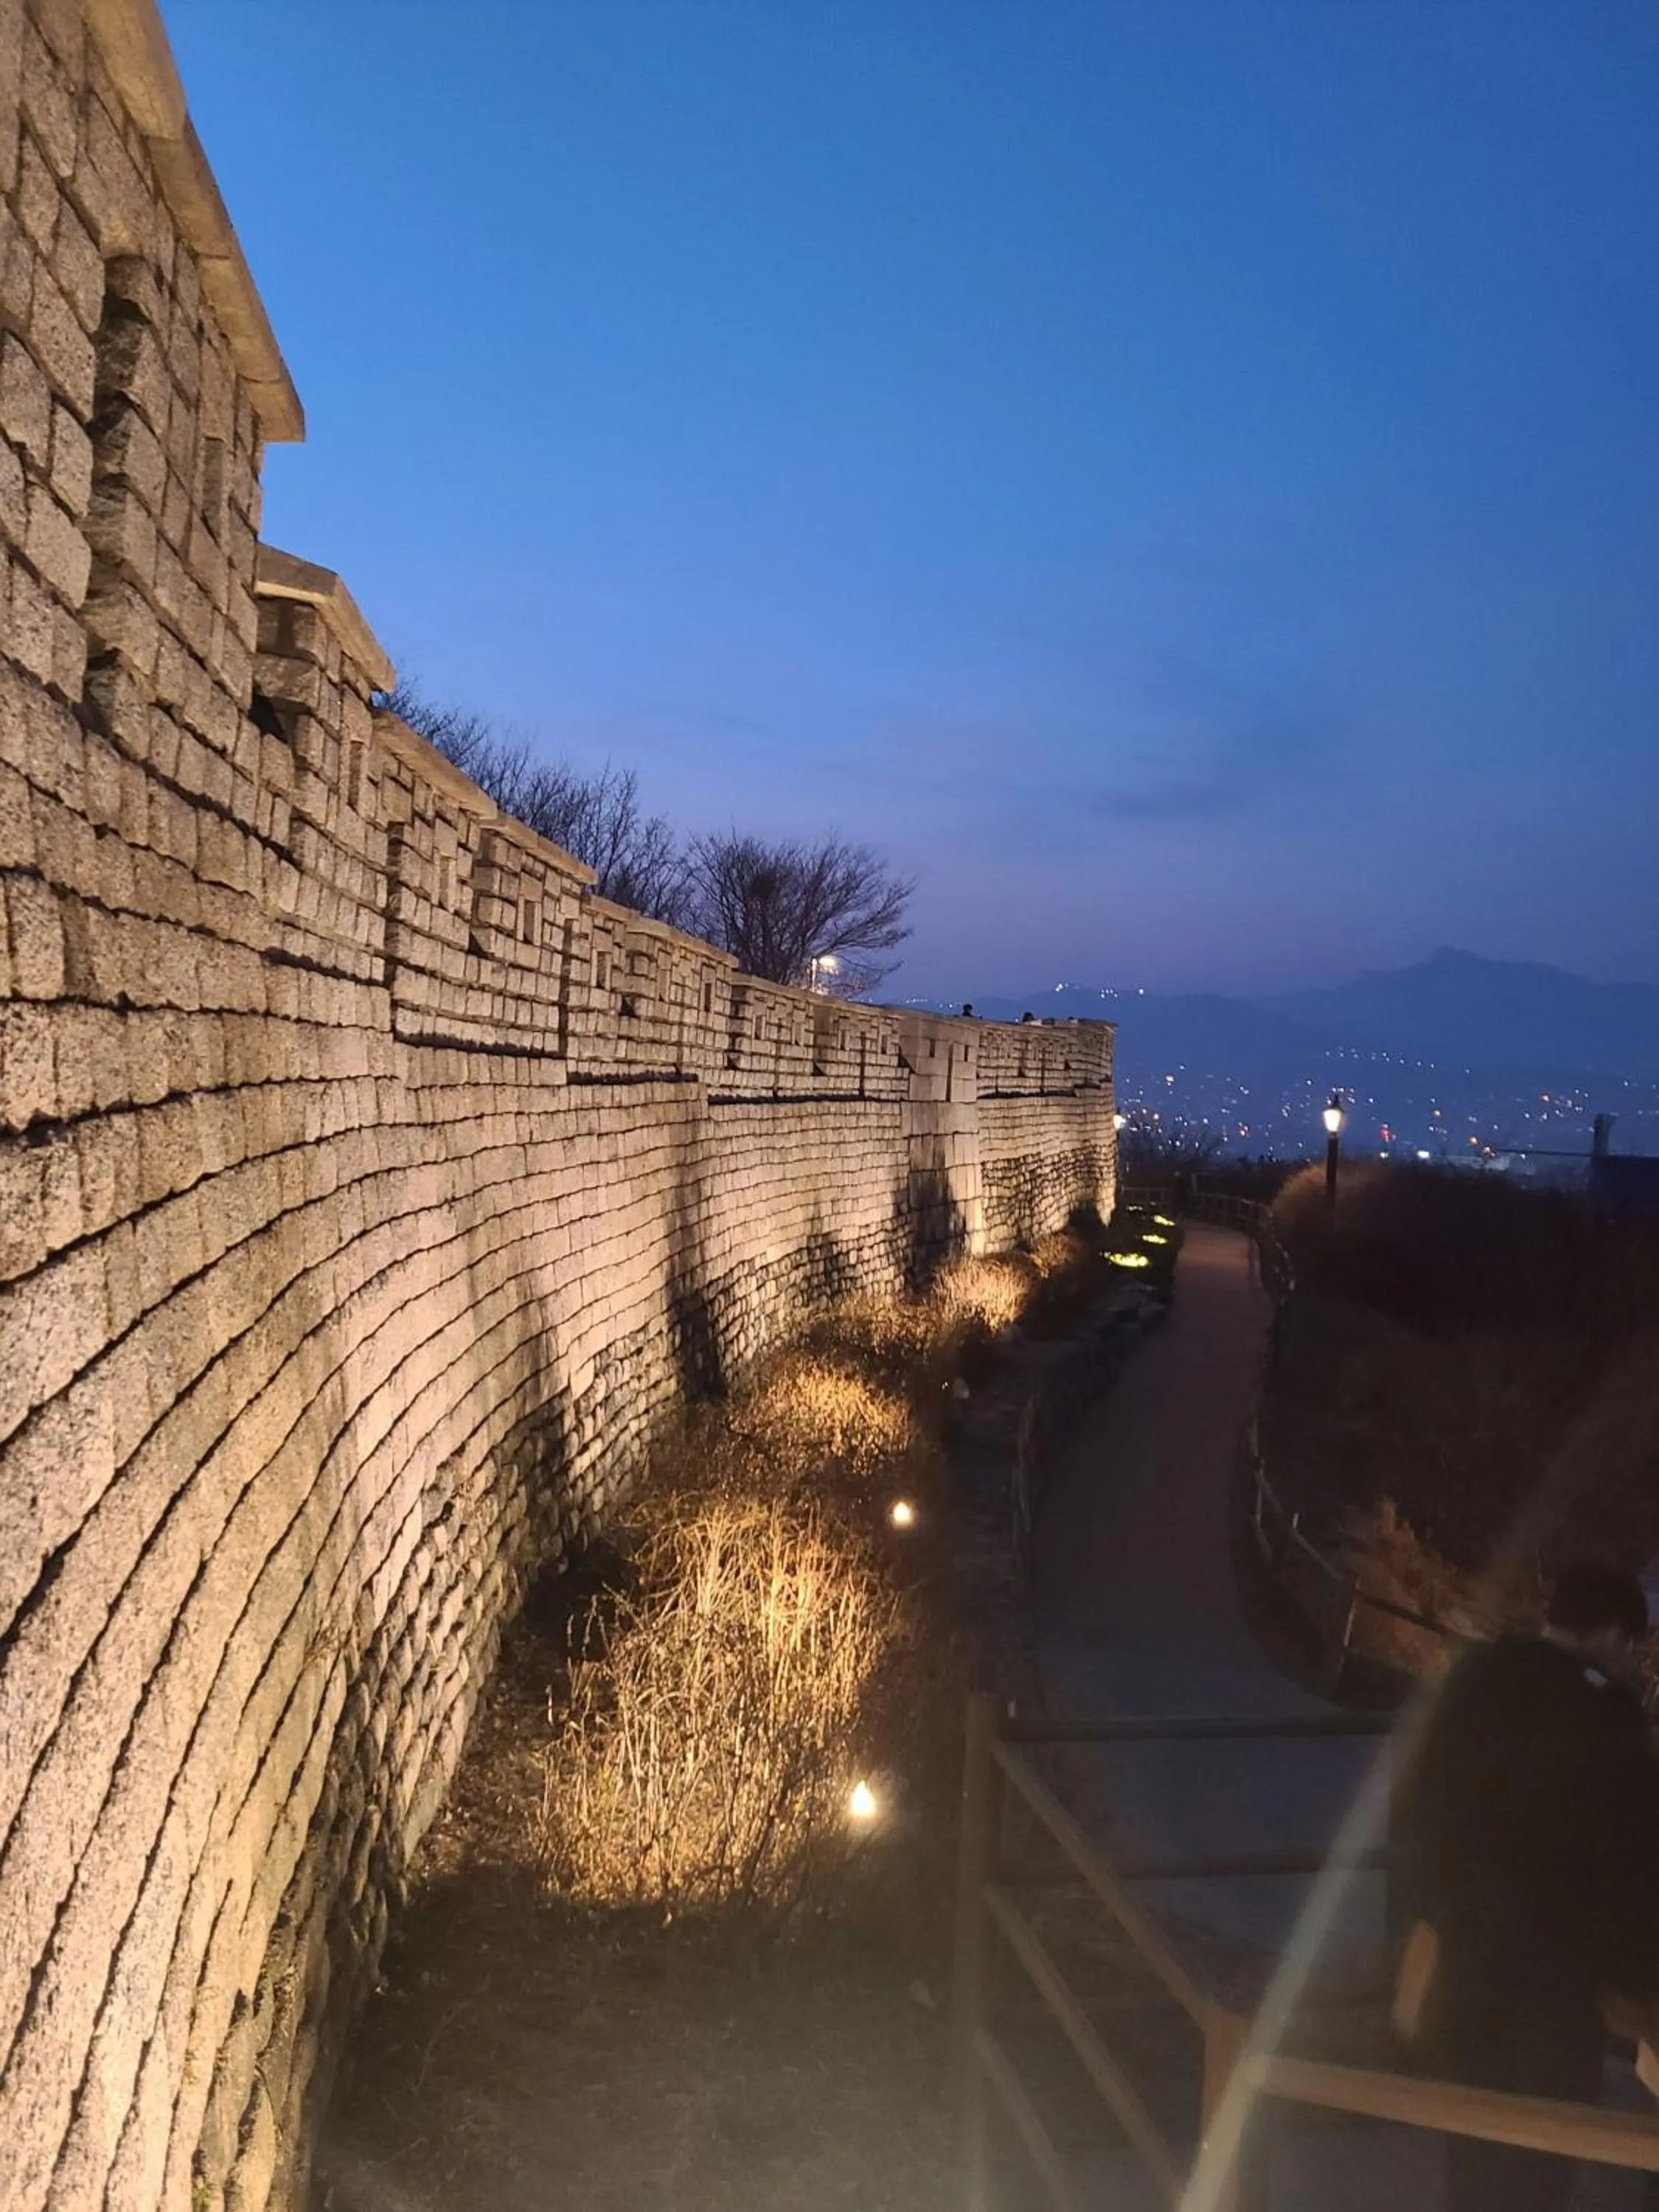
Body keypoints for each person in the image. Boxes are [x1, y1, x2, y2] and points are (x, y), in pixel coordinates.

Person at [1393, 1562, 1659, 2211]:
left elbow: (1420, 1809)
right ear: (1614, 1635)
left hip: (1464, 1961)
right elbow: (1628, 1863)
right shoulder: (1608, 1716)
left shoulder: (1474, 1677)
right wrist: (1636, 1985)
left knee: (1472, 2150)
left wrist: (1417, 1927)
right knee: (1538, 2161)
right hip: (1556, 1992)